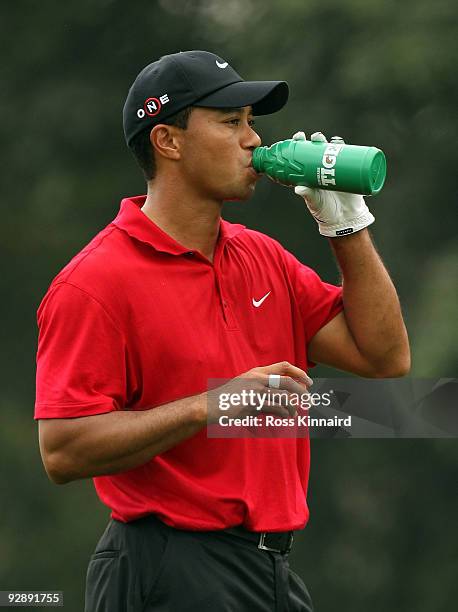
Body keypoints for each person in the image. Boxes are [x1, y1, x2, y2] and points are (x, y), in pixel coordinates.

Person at [35, 50, 410, 611]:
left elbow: (384, 358)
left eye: (251, 123)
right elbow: (62, 451)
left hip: (272, 569)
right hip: (167, 568)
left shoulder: (262, 257)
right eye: (231, 122)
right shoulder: (94, 282)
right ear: (168, 141)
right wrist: (206, 406)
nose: (254, 141)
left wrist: (345, 224)